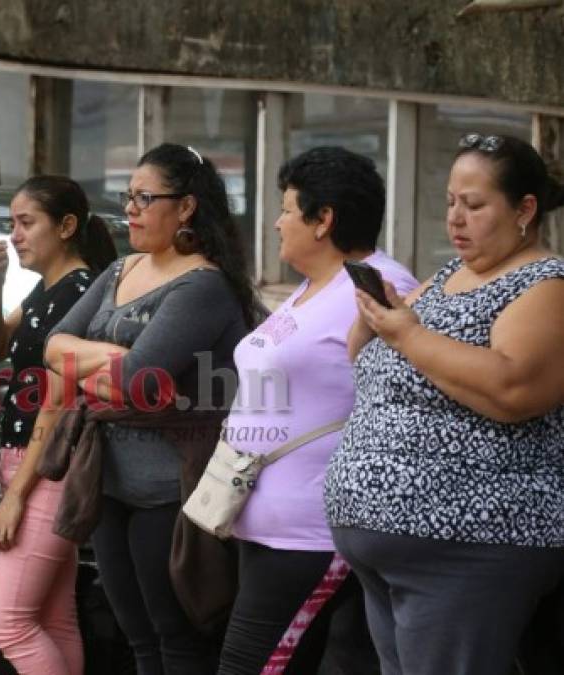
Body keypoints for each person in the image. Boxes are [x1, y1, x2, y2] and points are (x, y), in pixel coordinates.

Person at [324, 133, 564, 675]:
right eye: (451, 202)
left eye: (475, 205)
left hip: (470, 538)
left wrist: (407, 334)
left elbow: (514, 390)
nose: (456, 219)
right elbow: (371, 357)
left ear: (525, 209)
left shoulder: (546, 283)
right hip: (391, 541)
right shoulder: (450, 275)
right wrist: (373, 319)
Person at [44, 143, 263, 675]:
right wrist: (118, 362)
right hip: (108, 482)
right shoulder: (122, 269)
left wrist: (107, 369)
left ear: (185, 207)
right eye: (129, 196)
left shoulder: (204, 285)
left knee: (177, 638)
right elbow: (52, 345)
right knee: (136, 637)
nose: (131, 210)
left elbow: (138, 384)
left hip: (171, 488)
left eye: (145, 197)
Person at [215, 147, 418, 675]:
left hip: (313, 533)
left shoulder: (383, 288)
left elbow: (410, 407)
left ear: (323, 219)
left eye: (287, 209)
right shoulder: (313, 285)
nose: (278, 222)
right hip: (263, 523)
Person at [0, 175, 117, 674]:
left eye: (26, 222)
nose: (16, 234)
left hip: (48, 469)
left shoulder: (79, 293)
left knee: (7, 623)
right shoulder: (47, 289)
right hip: (32, 464)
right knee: (53, 618)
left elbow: (56, 405)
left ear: (65, 227)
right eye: (12, 223)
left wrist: (16, 493)